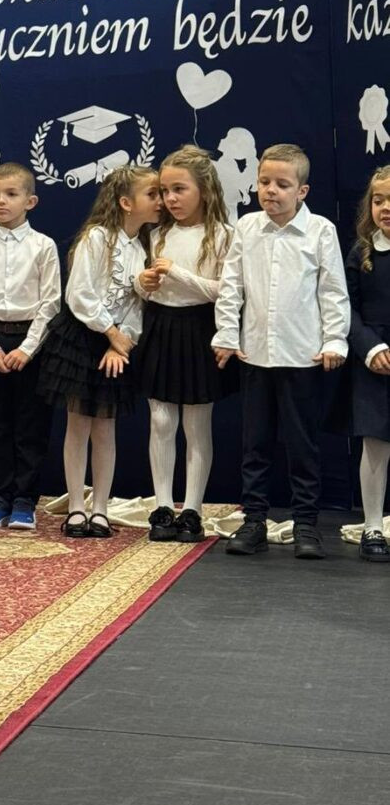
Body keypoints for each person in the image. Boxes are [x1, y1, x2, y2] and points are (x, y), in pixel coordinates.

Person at [213, 143, 349, 560]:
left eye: (282, 184)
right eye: (264, 182)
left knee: (302, 445)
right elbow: (231, 286)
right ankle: (254, 521)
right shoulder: (247, 228)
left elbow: (332, 290)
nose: (270, 190)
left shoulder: (320, 231)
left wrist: (335, 339)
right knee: (254, 444)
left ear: (302, 191)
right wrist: (226, 334)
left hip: (302, 355)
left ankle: (306, 524)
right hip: (255, 354)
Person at [35, 163, 162, 539]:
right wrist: (109, 332)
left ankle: (101, 507)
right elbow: (79, 294)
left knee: (105, 427)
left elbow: (139, 303)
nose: (160, 201)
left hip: (116, 345)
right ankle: (77, 506)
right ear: (126, 202)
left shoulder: (145, 246)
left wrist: (123, 342)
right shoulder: (97, 238)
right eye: (152, 194)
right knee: (78, 425)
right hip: (83, 338)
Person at [134, 146, 235, 543]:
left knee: (196, 423)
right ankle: (163, 506)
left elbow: (225, 290)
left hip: (200, 328)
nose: (170, 199)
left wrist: (178, 274)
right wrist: (144, 283)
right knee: (160, 421)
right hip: (160, 326)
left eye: (179, 190)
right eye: (164, 191)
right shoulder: (155, 234)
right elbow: (141, 288)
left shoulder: (223, 235)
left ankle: (192, 509)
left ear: (204, 190)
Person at [0, 163, 60, 530]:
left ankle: (24, 499)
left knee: (31, 423)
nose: (1, 201)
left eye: (11, 194)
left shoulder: (43, 246)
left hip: (31, 342)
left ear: (30, 201)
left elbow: (51, 303)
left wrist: (27, 348)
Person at [338, 167, 390, 561]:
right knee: (374, 444)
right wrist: (370, 348)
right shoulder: (362, 252)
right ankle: (373, 526)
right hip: (375, 361)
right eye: (378, 200)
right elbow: (346, 309)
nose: (385, 207)